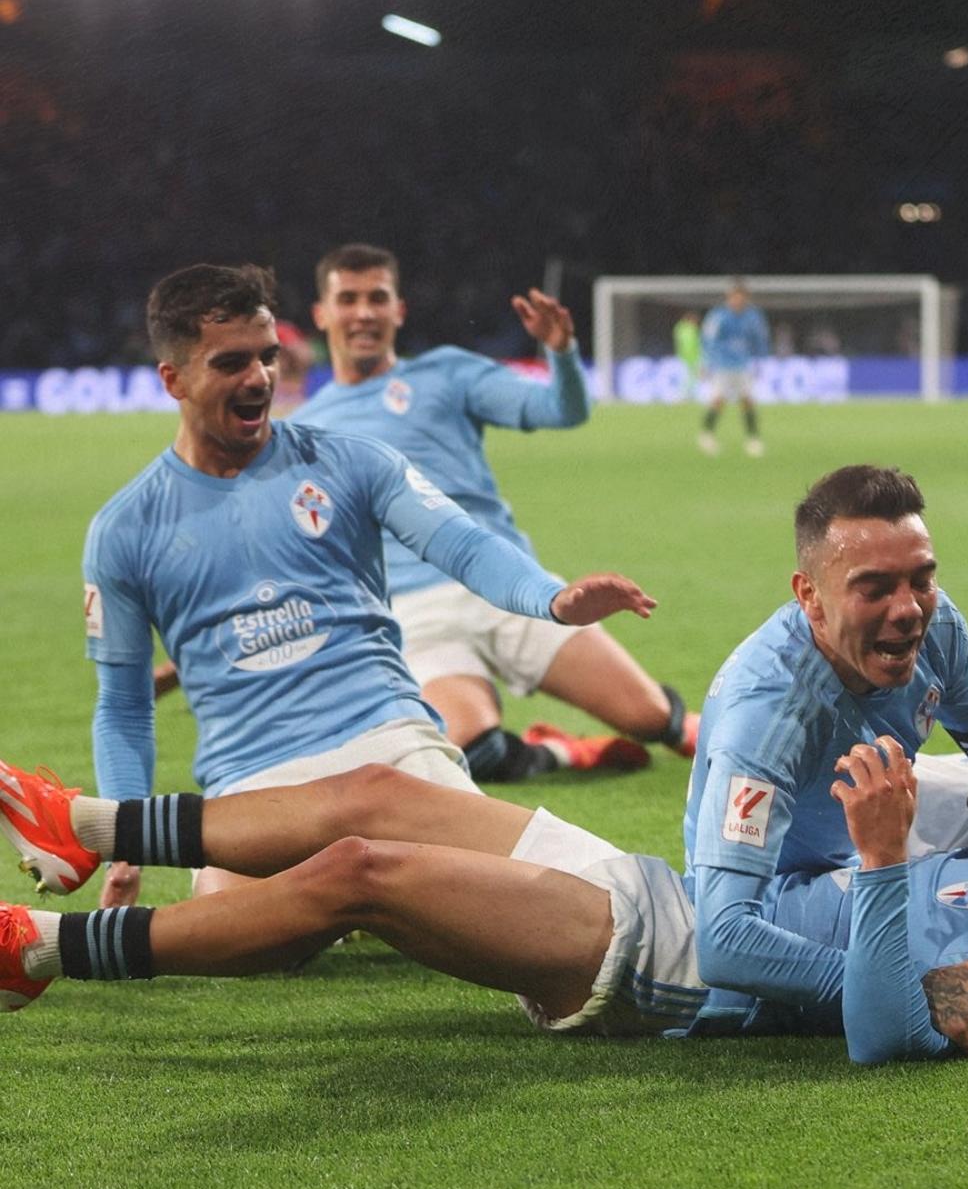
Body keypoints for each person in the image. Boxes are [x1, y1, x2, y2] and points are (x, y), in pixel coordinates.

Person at [0, 643, 968, 1063]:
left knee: (363, 873)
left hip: (662, 971)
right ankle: (84, 825)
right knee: (375, 791)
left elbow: (887, 1033)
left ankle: (42, 951)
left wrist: (880, 864)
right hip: (654, 892)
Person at [83, 262, 656, 907]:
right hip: (252, 779)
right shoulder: (124, 530)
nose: (260, 379)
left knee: (525, 898)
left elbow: (463, 543)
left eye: (268, 357)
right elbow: (124, 706)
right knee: (234, 923)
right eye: (231, 363)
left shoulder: (351, 460)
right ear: (173, 379)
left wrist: (550, 599)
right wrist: (125, 846)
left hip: (386, 745)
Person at [682, 464, 968, 1031]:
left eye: (921, 579)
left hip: (881, 814)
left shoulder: (937, 626)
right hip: (790, 886)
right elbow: (721, 940)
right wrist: (906, 985)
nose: (908, 610)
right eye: (874, 589)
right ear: (810, 595)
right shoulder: (768, 715)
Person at [290, 243, 701, 781]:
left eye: (377, 297)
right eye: (348, 299)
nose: (363, 312)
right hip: (414, 614)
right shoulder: (306, 431)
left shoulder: (448, 373)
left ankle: (678, 726)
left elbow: (562, 409)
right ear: (323, 313)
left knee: (650, 718)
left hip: (509, 584)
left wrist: (560, 353)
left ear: (399, 309)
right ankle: (558, 751)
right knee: (469, 749)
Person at [697, 280, 770, 458]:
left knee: (747, 400)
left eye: (740, 297)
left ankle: (752, 439)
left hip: (743, 365)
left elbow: (760, 339)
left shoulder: (753, 317)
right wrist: (705, 363)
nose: (736, 301)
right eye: (734, 297)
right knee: (718, 400)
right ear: (728, 298)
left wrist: (761, 361)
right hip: (723, 365)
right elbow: (708, 340)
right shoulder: (719, 316)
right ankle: (707, 434)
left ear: (745, 298)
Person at [672, 311, 703, 399]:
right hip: (689, 358)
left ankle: (688, 395)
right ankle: (684, 395)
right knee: (688, 377)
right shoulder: (689, 330)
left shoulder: (679, 328)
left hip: (686, 357)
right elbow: (691, 345)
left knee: (691, 378)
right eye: (695, 321)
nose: (696, 323)